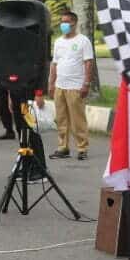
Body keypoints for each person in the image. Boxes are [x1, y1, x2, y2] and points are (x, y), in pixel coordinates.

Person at [48, 10, 95, 161]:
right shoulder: (58, 42)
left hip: (75, 86)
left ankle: (82, 148)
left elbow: (88, 63)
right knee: (61, 119)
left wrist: (86, 83)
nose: (63, 25)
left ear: (74, 23)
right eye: (62, 22)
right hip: (60, 86)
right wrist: (51, 83)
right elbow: (54, 64)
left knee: (77, 119)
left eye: (66, 22)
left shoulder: (83, 41)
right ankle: (63, 147)